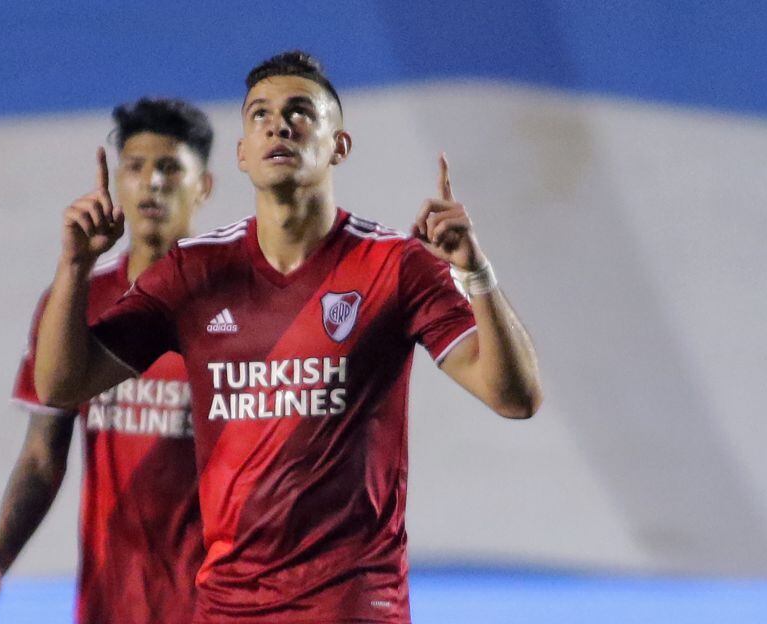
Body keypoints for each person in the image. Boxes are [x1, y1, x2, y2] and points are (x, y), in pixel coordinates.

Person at [33, 51, 542, 623]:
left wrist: (475, 272)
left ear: (338, 146)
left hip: (353, 603)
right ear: (242, 154)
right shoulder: (192, 273)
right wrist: (75, 267)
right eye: (260, 115)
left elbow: (515, 397)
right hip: (228, 607)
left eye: (300, 112)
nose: (279, 124)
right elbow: (59, 386)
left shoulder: (395, 265)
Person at [0, 98, 215, 624]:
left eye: (170, 167)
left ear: (203, 185)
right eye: (137, 167)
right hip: (112, 602)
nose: (153, 183)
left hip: (221, 603)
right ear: (118, 181)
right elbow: (41, 455)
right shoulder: (76, 303)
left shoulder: (235, 303)